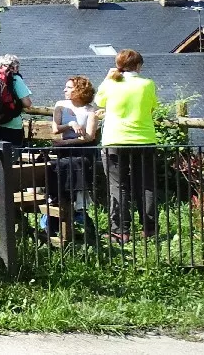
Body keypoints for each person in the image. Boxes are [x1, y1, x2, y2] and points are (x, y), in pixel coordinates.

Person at [96, 49, 159, 242]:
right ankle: (150, 230)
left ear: (118, 65)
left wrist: (108, 78)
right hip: (144, 140)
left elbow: (99, 101)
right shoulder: (147, 84)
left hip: (115, 139)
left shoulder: (112, 83)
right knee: (146, 184)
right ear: (139, 66)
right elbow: (152, 107)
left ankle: (120, 230)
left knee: (118, 186)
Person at [44, 75, 100, 237]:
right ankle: (58, 202)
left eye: (68, 87)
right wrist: (70, 124)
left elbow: (89, 136)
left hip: (82, 149)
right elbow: (55, 129)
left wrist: (67, 143)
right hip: (64, 149)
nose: (64, 90)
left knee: (75, 164)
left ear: (79, 90)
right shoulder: (60, 106)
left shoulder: (90, 110)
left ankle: (76, 207)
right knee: (58, 166)